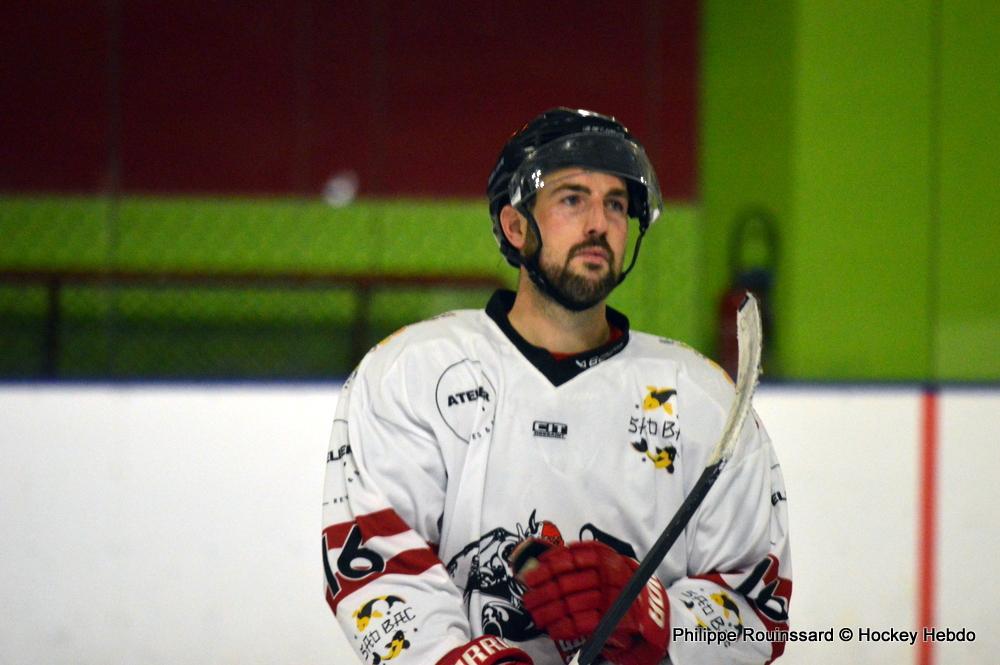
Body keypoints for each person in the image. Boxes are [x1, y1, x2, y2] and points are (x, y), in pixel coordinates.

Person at [322, 108, 791, 665]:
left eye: (615, 204)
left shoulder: (702, 399)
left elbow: (757, 611)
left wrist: (651, 612)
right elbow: (379, 568)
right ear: (515, 226)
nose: (599, 223)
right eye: (572, 199)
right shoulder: (411, 373)